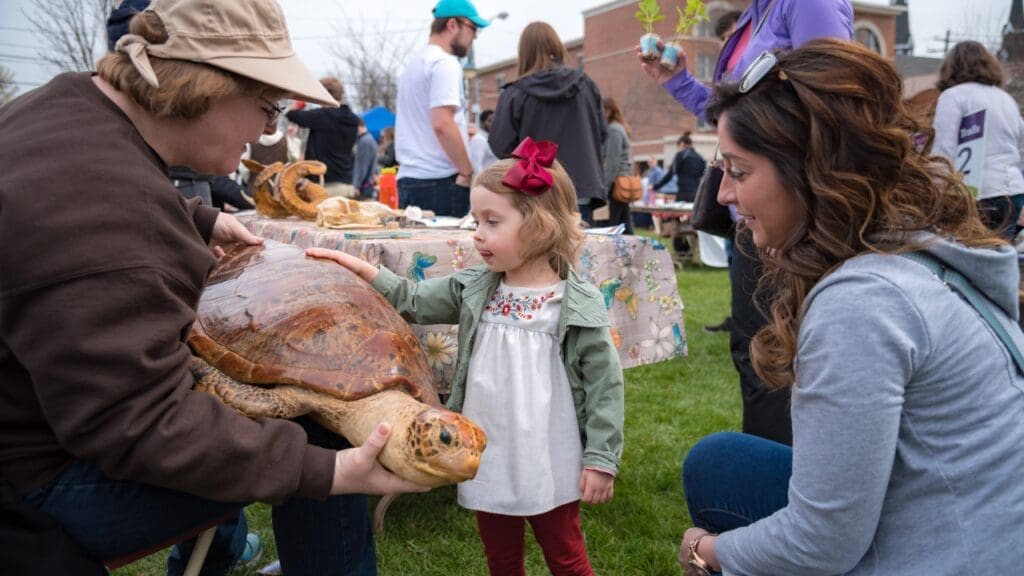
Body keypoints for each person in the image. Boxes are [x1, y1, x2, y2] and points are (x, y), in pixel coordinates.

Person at [0, 1, 426, 575]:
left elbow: (85, 196)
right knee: (317, 429)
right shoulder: (115, 215)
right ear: (207, 87)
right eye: (267, 106)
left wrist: (197, 218)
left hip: (36, 419)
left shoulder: (66, 103)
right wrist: (330, 474)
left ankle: (227, 553)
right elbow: (143, 426)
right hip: (39, 484)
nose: (267, 132)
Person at [678, 39, 1024, 576]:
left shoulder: (862, 306)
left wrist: (706, 553)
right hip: (982, 522)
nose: (723, 194)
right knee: (719, 463)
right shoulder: (922, 250)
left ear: (811, 171)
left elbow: (820, 544)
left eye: (739, 171)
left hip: (950, 555)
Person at [307, 138, 624, 576]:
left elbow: (605, 387)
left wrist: (600, 459)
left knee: (566, 554)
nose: (477, 233)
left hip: (549, 452)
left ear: (540, 225)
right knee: (500, 556)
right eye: (477, 220)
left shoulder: (574, 303)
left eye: (492, 221)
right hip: (486, 451)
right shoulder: (478, 285)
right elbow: (412, 298)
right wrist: (362, 268)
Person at [637, 0, 853, 446]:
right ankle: (768, 480)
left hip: (794, 218)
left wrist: (800, 206)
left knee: (786, 361)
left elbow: (836, 107)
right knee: (756, 353)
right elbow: (735, 119)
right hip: (757, 219)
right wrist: (678, 82)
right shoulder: (754, 17)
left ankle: (784, 488)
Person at [489, 21, 607, 225]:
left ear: (524, 52)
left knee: (535, 255)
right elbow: (603, 135)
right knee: (579, 252)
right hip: (580, 187)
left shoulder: (515, 94)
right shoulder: (586, 86)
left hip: (534, 189)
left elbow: (500, 144)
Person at [395, 0, 488, 216]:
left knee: (413, 250)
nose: (474, 36)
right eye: (473, 28)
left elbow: (430, 122)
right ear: (453, 25)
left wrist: (460, 133)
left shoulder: (415, 64)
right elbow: (442, 123)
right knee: (448, 250)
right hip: (440, 183)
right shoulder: (444, 63)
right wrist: (466, 170)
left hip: (411, 179)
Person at [932, 40, 1024, 241]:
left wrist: (936, 196)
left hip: (976, 193)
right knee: (999, 261)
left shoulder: (953, 97)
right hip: (1013, 191)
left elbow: (943, 149)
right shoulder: (1007, 100)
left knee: (969, 259)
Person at [285, 77, 361, 198]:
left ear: (322, 94)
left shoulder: (322, 116)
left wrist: (299, 104)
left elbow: (291, 114)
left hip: (325, 186)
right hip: (347, 184)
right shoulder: (353, 119)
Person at [602, 97, 634, 234]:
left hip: (616, 184)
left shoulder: (613, 130)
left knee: (612, 226)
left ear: (608, 111)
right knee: (625, 224)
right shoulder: (618, 128)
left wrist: (604, 187)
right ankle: (636, 254)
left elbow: (613, 162)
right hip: (622, 182)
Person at [654, 133, 704, 202]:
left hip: (683, 192)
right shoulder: (700, 158)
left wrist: (655, 186)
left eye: (678, 146)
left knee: (679, 212)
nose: (678, 149)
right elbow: (703, 175)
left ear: (682, 144)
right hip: (696, 193)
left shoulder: (680, 155)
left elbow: (670, 174)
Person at [353, 118, 379, 199]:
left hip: (365, 186)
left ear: (358, 127)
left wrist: (356, 185)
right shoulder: (369, 139)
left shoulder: (364, 141)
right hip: (369, 184)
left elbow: (362, 166)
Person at [470, 108, 499, 174]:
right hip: (484, 181)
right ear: (482, 122)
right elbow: (475, 164)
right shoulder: (479, 140)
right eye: (490, 121)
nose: (493, 124)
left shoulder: (489, 138)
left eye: (495, 121)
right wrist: (481, 182)